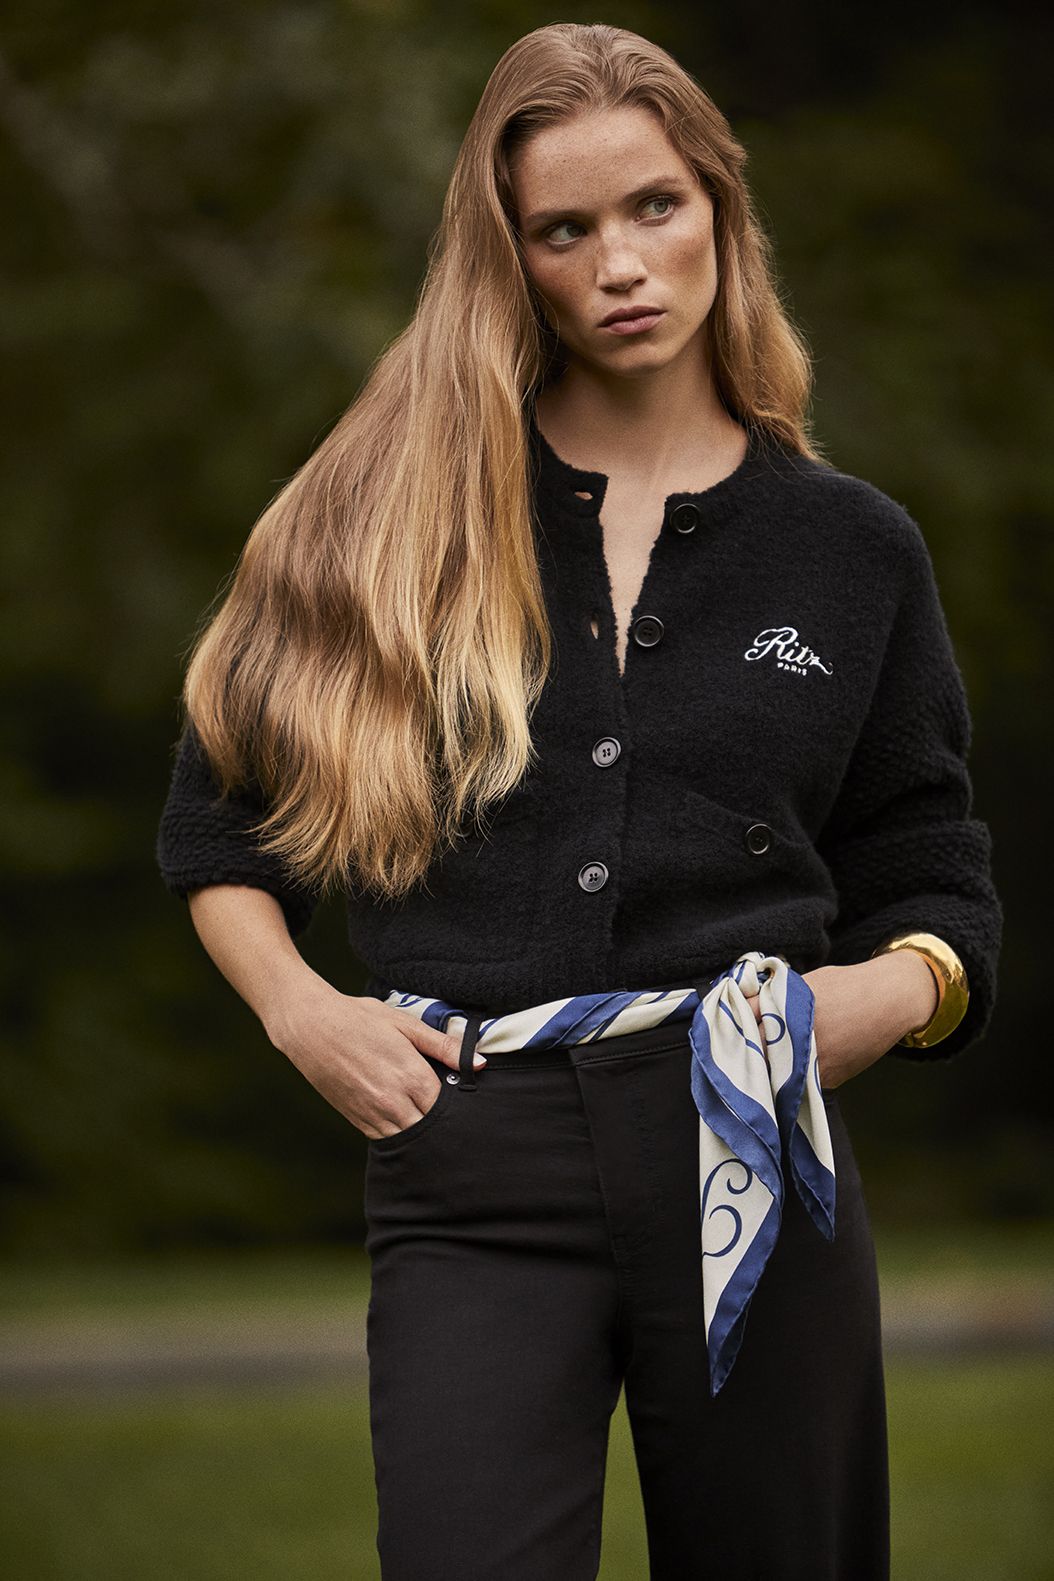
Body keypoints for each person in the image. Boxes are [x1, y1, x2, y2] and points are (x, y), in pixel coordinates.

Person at [155, 22, 1002, 1581]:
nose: (619, 263)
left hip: (754, 1138)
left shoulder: (850, 548)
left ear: (720, 209)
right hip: (469, 1159)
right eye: (563, 229)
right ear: (508, 258)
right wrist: (299, 1011)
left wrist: (879, 999)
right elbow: (222, 820)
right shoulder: (382, 516)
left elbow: (932, 870)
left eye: (654, 206)